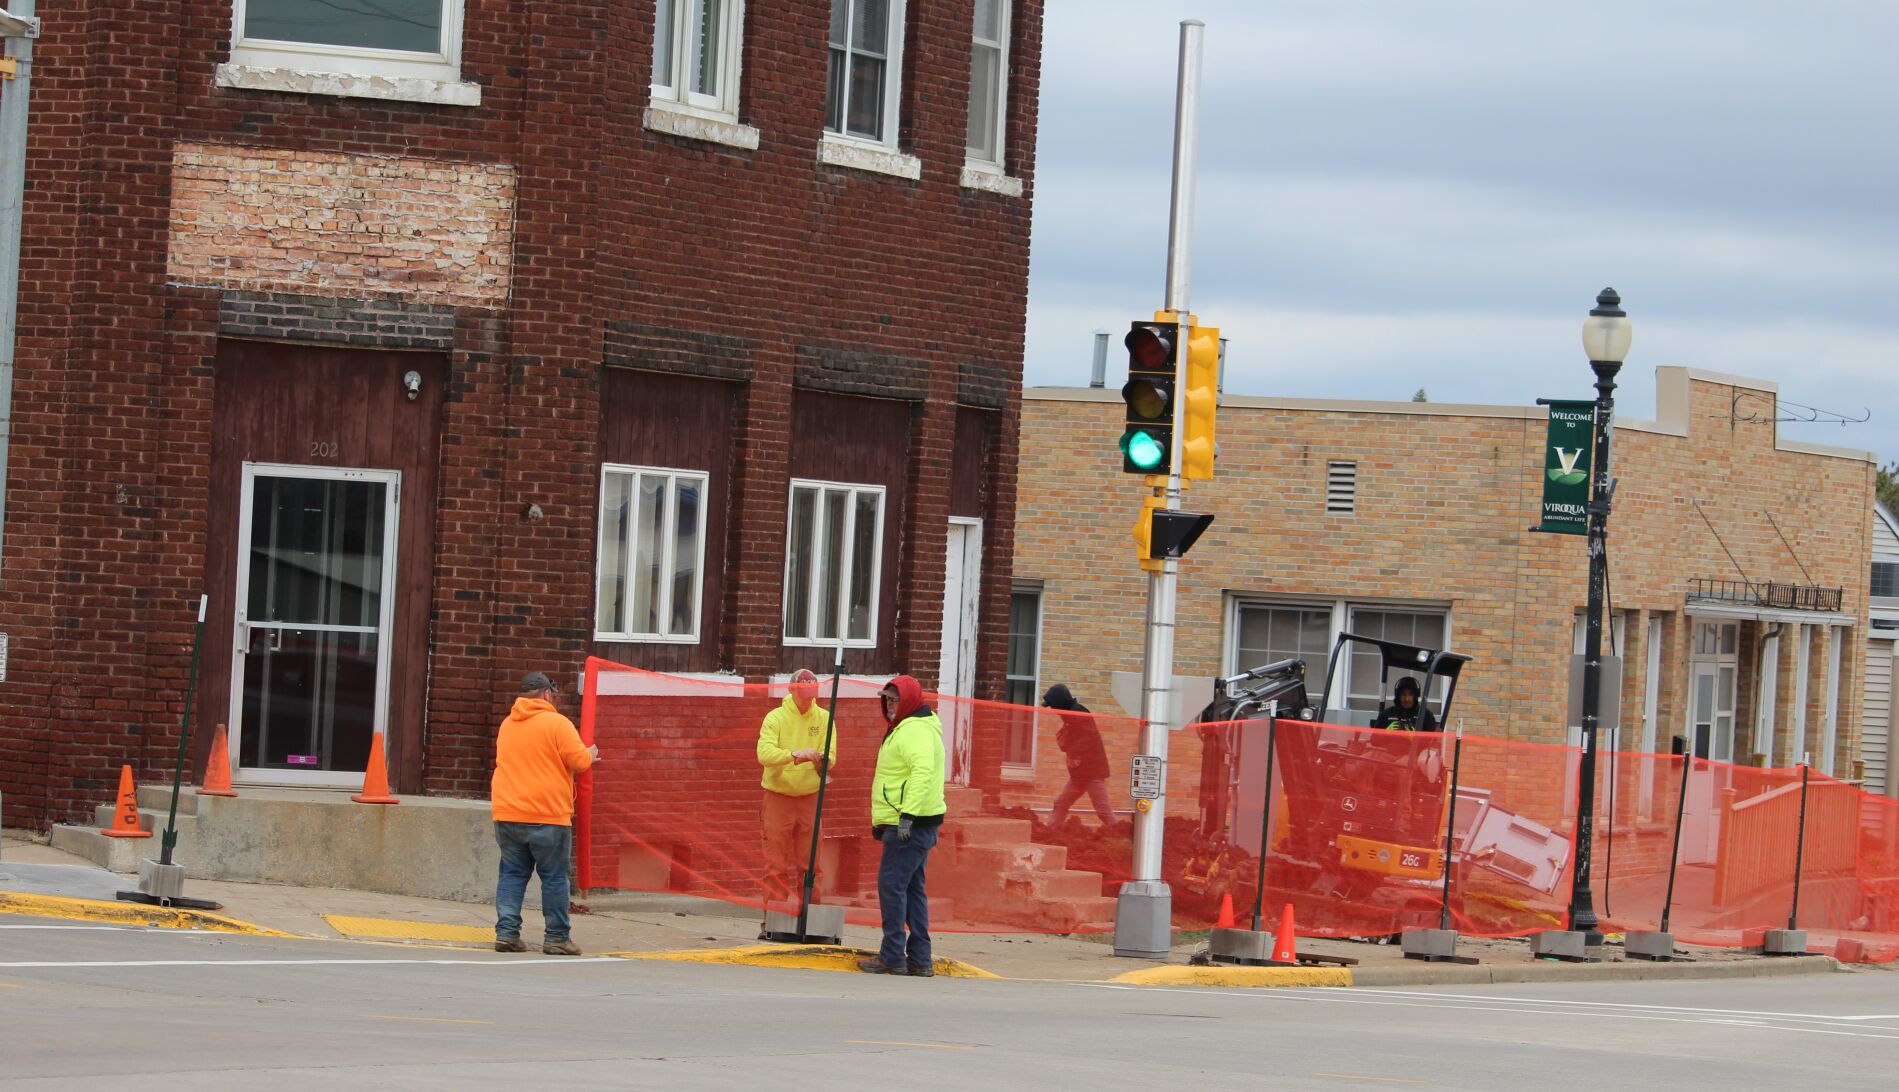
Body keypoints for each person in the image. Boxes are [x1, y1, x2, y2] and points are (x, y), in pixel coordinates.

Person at [491, 670, 598, 956]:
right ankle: (557, 938)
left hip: (508, 812)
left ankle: (507, 933)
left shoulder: (507, 724)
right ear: (547, 694)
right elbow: (578, 761)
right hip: (547, 814)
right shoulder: (557, 723)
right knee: (553, 878)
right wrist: (591, 753)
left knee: (512, 874)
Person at [858, 675, 946, 977]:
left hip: (909, 824)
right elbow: (898, 777)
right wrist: (882, 821)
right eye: (886, 699)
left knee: (893, 886)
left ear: (907, 700)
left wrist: (906, 816)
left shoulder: (913, 730)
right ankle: (920, 958)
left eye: (894, 699)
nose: (889, 705)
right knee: (911, 888)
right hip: (910, 822)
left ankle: (893, 955)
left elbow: (922, 772)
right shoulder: (915, 726)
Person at [756, 668, 838, 914]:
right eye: (803, 691)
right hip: (778, 796)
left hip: (810, 797)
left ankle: (809, 918)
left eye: (812, 692)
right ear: (792, 689)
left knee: (810, 864)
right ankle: (774, 919)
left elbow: (831, 755)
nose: (808, 697)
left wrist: (823, 760)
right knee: (775, 864)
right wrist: (794, 755)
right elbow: (764, 754)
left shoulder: (825, 718)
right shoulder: (776, 718)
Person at [1042, 684, 1115, 827]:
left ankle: (1118, 835)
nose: (1053, 709)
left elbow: (1089, 738)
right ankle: (1050, 831)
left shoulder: (1078, 713)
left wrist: (1073, 754)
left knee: (1103, 810)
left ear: (1059, 701)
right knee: (1061, 803)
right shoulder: (1070, 715)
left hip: (1092, 773)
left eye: (1053, 705)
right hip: (1080, 774)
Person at [1375, 676, 1441, 733]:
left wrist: (1415, 738)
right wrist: (1385, 733)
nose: (1407, 699)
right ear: (1398, 696)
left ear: (1415, 696)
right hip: (1391, 747)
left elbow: (1433, 743)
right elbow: (1374, 740)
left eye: (1410, 694)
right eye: (1403, 694)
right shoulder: (1386, 714)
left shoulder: (1425, 715)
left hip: (1416, 747)